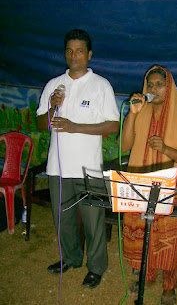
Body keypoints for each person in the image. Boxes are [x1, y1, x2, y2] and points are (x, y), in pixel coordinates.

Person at [36, 29, 119, 289]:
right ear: (65, 53)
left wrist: (75, 126)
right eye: (69, 51)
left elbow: (113, 126)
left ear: (89, 54)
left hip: (88, 168)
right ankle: (70, 258)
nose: (74, 56)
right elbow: (41, 124)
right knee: (63, 219)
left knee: (93, 220)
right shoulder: (53, 85)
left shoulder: (101, 85)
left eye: (79, 51)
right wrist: (52, 106)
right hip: (57, 167)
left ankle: (95, 268)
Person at [120, 65, 177, 304]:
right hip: (140, 185)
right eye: (150, 85)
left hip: (172, 189)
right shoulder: (139, 112)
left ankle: (169, 287)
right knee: (142, 236)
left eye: (159, 85)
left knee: (170, 242)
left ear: (170, 87)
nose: (154, 89)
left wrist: (166, 149)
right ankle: (146, 275)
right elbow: (124, 146)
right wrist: (132, 115)